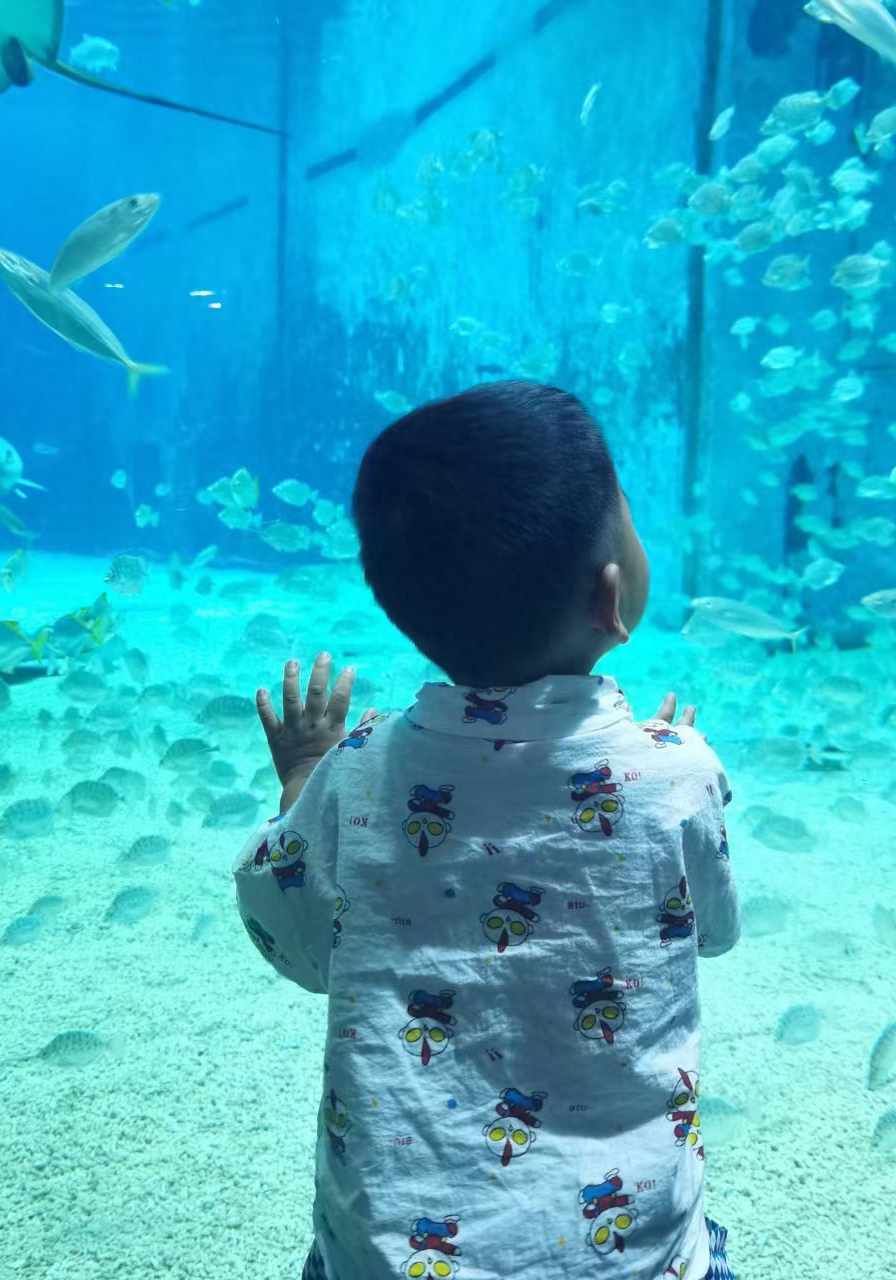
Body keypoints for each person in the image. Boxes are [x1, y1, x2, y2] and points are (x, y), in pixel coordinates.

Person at [232, 381, 741, 1280]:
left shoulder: (356, 771)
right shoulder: (680, 772)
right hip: (630, 1257)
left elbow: (294, 941)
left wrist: (302, 778)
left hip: (389, 1258)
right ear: (612, 594)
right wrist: (665, 776)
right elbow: (714, 932)